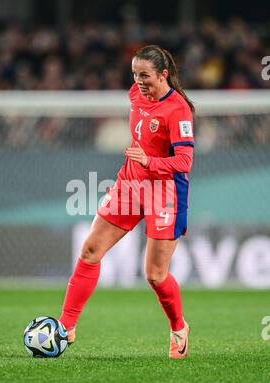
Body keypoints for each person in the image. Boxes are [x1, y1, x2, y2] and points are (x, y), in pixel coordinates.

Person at [59, 45, 195, 359]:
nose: (138, 81)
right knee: (90, 251)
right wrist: (140, 164)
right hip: (129, 185)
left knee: (155, 275)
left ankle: (179, 328)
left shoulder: (178, 110)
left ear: (163, 75)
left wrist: (149, 160)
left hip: (165, 192)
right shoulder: (135, 93)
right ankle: (66, 327)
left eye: (145, 76)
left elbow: (184, 162)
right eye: (134, 75)